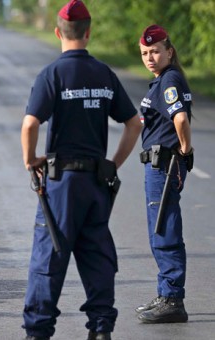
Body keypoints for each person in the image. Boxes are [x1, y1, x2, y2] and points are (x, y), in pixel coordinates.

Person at [20, 1, 142, 339]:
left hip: (61, 184)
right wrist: (113, 164)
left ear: (58, 32)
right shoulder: (104, 74)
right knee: (97, 255)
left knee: (50, 257)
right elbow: (134, 123)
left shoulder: (53, 74)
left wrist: (30, 160)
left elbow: (30, 124)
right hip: (96, 182)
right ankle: (101, 329)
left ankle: (39, 331)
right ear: (88, 33)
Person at [134, 24, 193, 324]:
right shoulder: (163, 80)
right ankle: (166, 294)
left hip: (164, 166)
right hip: (159, 165)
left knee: (164, 230)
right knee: (161, 229)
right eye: (145, 52)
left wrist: (185, 149)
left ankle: (172, 300)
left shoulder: (169, 80)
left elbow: (180, 118)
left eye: (155, 51)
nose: (150, 57)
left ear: (169, 51)